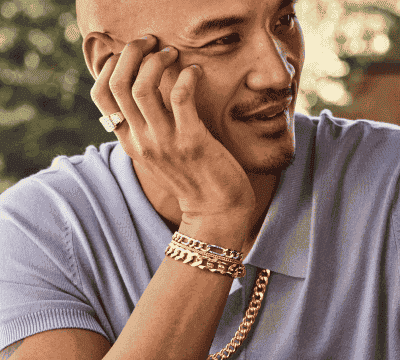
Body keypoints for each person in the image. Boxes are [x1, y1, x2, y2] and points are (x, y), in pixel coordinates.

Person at [1, 0, 400, 358]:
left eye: (283, 21)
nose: (279, 73)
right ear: (111, 62)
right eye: (224, 40)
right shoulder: (35, 230)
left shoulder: (390, 181)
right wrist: (213, 220)